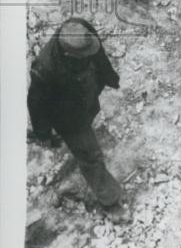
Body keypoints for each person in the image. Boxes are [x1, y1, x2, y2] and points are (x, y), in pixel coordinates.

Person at [27, 17, 125, 214]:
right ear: (68, 54)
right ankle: (110, 202)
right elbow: (36, 103)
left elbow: (97, 53)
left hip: (84, 95)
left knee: (90, 116)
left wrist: (109, 75)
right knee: (90, 155)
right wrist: (43, 133)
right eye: (83, 55)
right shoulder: (45, 69)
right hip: (68, 117)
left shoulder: (79, 29)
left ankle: (57, 136)